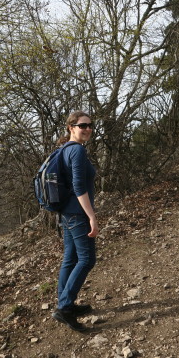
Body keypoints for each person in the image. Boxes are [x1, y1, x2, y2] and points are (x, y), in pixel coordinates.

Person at [52, 111, 98, 332]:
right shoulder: (76, 151)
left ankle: (66, 303)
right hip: (78, 215)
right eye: (83, 125)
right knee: (87, 259)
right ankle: (64, 308)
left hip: (67, 213)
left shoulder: (64, 150)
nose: (88, 129)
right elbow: (79, 187)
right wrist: (91, 216)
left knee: (70, 259)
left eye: (90, 125)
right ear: (71, 127)